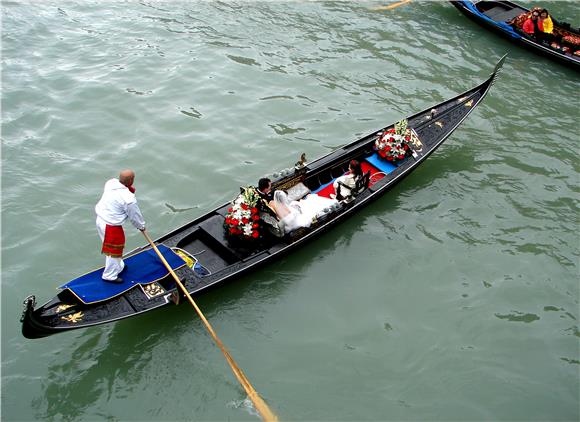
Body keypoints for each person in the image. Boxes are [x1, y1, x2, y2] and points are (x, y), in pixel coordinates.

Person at [95, 169, 146, 283]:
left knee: (113, 251)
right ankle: (110, 275)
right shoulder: (128, 199)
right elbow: (134, 216)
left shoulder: (110, 183)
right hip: (111, 227)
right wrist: (141, 226)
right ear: (132, 180)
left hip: (100, 220)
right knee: (114, 252)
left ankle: (119, 266)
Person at [271, 190, 338, 234]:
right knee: (310, 210)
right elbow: (290, 218)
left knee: (299, 205)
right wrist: (296, 212)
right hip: (293, 224)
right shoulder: (283, 207)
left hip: (288, 223)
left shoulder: (276, 206)